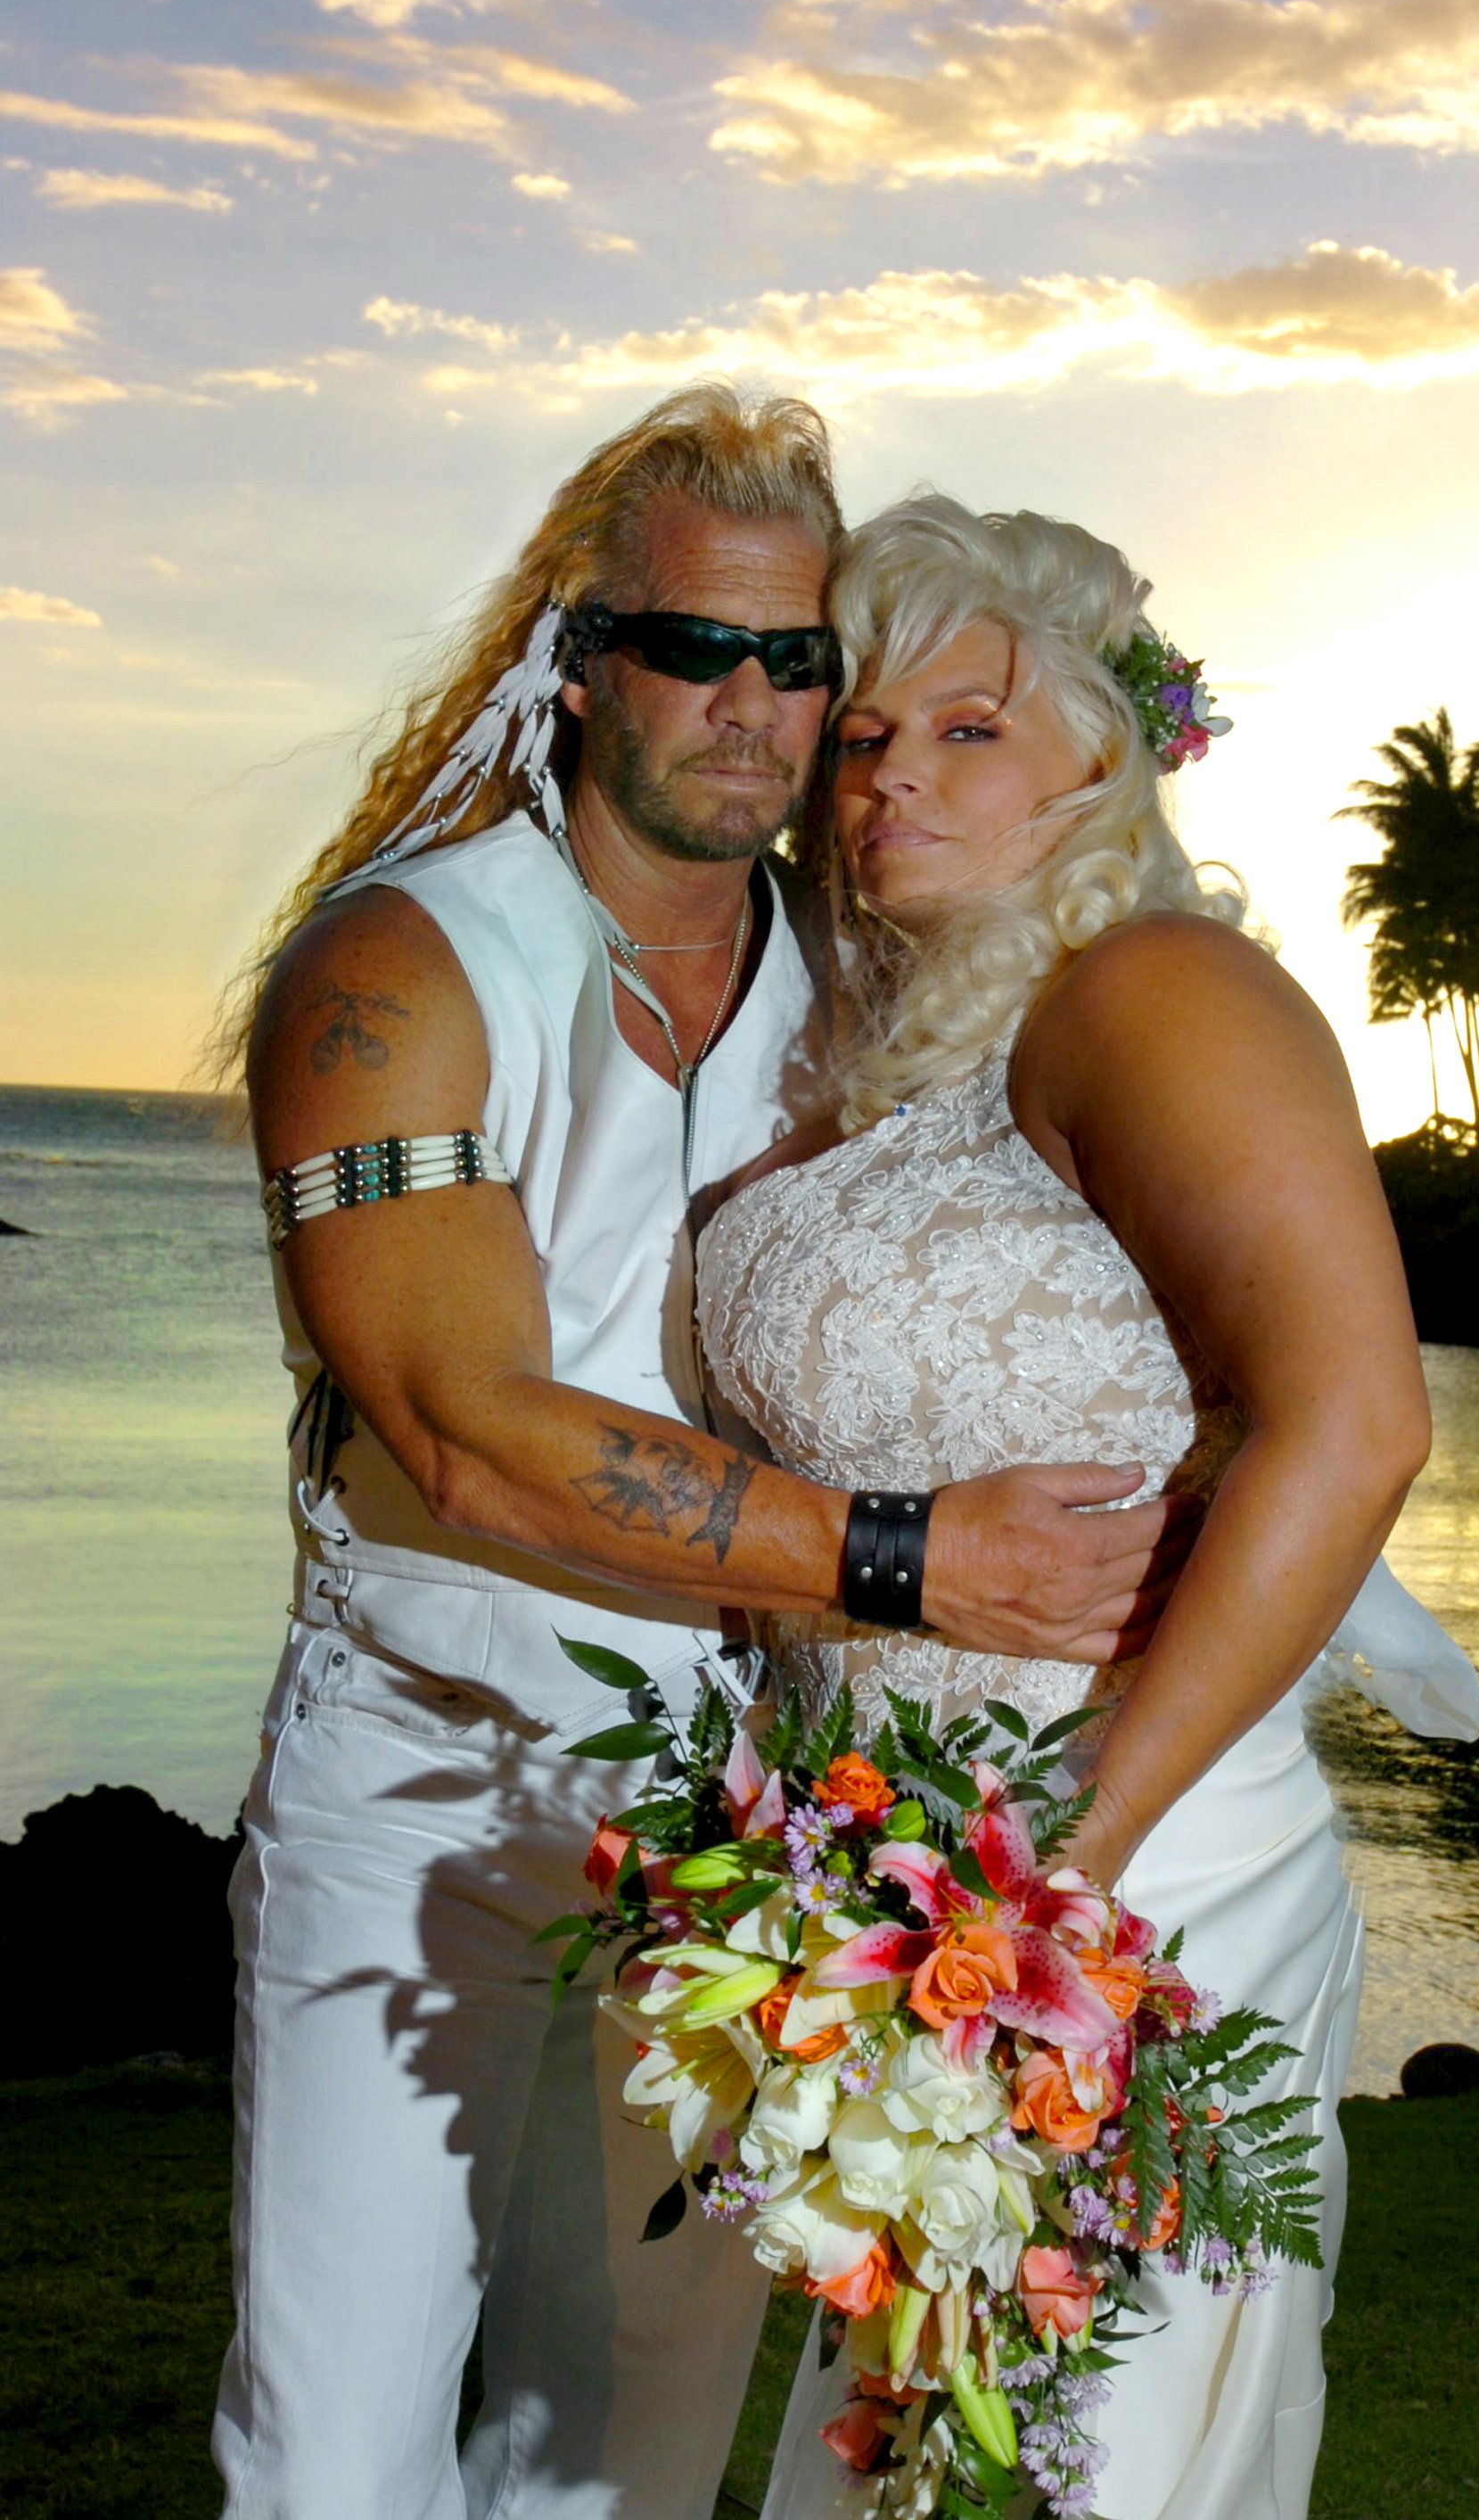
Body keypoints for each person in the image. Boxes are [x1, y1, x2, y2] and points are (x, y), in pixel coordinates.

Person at [219, 391, 1175, 2520]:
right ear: (582, 654)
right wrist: (913, 1556)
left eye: (798, 656)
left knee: (631, 2420)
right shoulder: (395, 970)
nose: (752, 704)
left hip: (737, 1809)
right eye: (693, 646)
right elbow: (469, 1430)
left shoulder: (862, 976)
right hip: (427, 1786)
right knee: (337, 2424)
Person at [695, 494, 1479, 2520]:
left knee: (1087, 2468)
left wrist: (1064, 1870)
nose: (888, 782)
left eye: (967, 729)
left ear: (1099, 762)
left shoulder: (1152, 990)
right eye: (863, 740)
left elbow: (1355, 1422)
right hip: (891, 1890)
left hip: (1122, 1876)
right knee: (915, 2457)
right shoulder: (863, 1072)